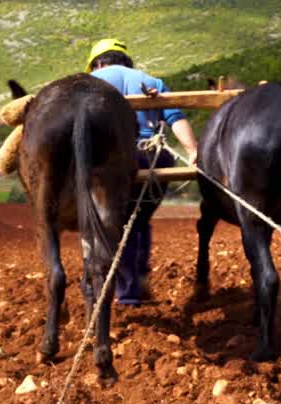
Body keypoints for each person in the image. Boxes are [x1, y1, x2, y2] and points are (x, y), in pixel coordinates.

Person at [85, 38, 199, 305]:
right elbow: (175, 119)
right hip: (153, 157)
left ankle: (125, 293)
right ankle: (138, 279)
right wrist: (193, 150)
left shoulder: (86, 83)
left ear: (98, 63)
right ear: (125, 61)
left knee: (112, 222)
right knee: (140, 218)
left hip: (109, 161)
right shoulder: (152, 81)